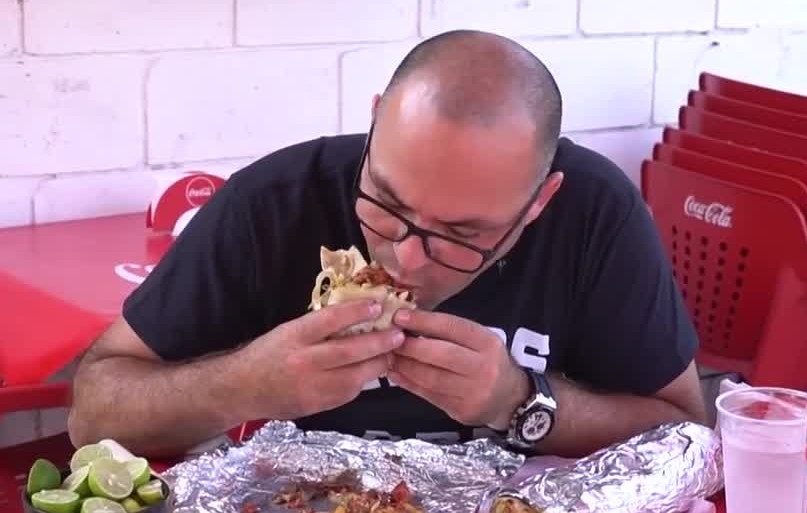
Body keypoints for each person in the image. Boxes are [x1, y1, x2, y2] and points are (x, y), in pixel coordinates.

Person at [68, 29, 706, 459]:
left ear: (538, 202)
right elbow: (92, 413)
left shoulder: (595, 215)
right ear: (374, 123)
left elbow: (687, 431)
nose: (406, 256)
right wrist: (246, 384)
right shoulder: (274, 203)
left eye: (463, 235)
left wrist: (520, 401)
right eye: (388, 204)